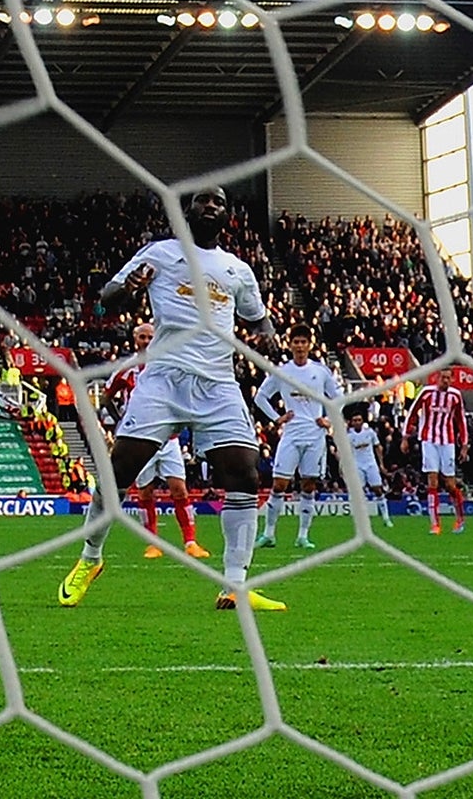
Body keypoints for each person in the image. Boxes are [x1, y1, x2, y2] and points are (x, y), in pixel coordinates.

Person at [58, 187, 287, 612]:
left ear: (227, 215)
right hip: (163, 379)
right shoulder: (159, 254)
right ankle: (90, 558)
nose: (212, 206)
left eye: (220, 201)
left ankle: (234, 585)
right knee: (119, 469)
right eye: (204, 200)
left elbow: (259, 321)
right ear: (188, 211)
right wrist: (131, 285)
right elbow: (107, 301)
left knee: (245, 477)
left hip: (218, 383)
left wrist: (268, 340)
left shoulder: (237, 270)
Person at [102, 322, 209, 560]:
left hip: (169, 438)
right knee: (146, 493)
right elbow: (106, 396)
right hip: (140, 439)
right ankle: (152, 543)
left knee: (179, 490)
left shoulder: (169, 364)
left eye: (151, 336)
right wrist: (121, 419)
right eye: (142, 337)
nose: (147, 341)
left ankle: (190, 542)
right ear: (134, 340)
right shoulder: (127, 368)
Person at [254, 327, 343, 550]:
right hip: (292, 434)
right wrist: (277, 418)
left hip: (315, 436)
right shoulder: (283, 371)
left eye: (304, 341)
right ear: (290, 344)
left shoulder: (320, 371)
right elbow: (261, 397)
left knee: (309, 485)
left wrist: (329, 420)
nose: (300, 346)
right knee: (279, 484)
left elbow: (339, 398)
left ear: (310, 344)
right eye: (296, 342)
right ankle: (269, 534)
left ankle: (303, 536)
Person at [404, 370, 470, 535]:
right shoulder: (426, 393)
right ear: (437, 378)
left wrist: (464, 444)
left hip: (447, 442)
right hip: (429, 441)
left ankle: (460, 519)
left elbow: (461, 420)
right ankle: (435, 524)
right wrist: (405, 436)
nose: (446, 380)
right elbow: (412, 413)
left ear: (452, 379)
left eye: (449, 378)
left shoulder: (455, 396)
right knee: (432, 482)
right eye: (443, 377)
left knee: (450, 485)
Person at [346, 410, 393, 528]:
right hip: (357, 465)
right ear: (351, 422)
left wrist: (381, 464)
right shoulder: (349, 436)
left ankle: (386, 518)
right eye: (355, 421)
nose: (357, 423)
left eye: (359, 420)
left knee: (377, 489)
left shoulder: (370, 433)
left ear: (362, 421)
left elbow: (378, 448)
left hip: (370, 464)